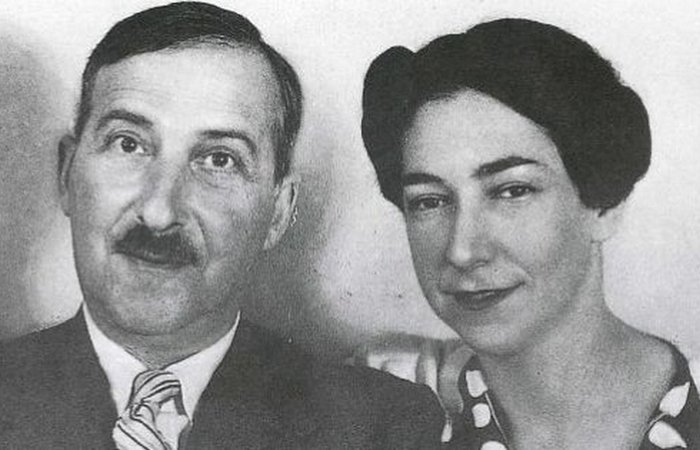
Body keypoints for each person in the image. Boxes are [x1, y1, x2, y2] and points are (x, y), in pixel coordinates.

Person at [0, 2, 445, 448]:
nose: (159, 212)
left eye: (219, 159)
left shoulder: (380, 428)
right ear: (66, 173)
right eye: (128, 144)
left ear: (278, 212)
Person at [361, 18, 700, 449]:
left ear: (603, 205)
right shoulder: (376, 401)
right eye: (429, 201)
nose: (462, 250)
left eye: (512, 191)